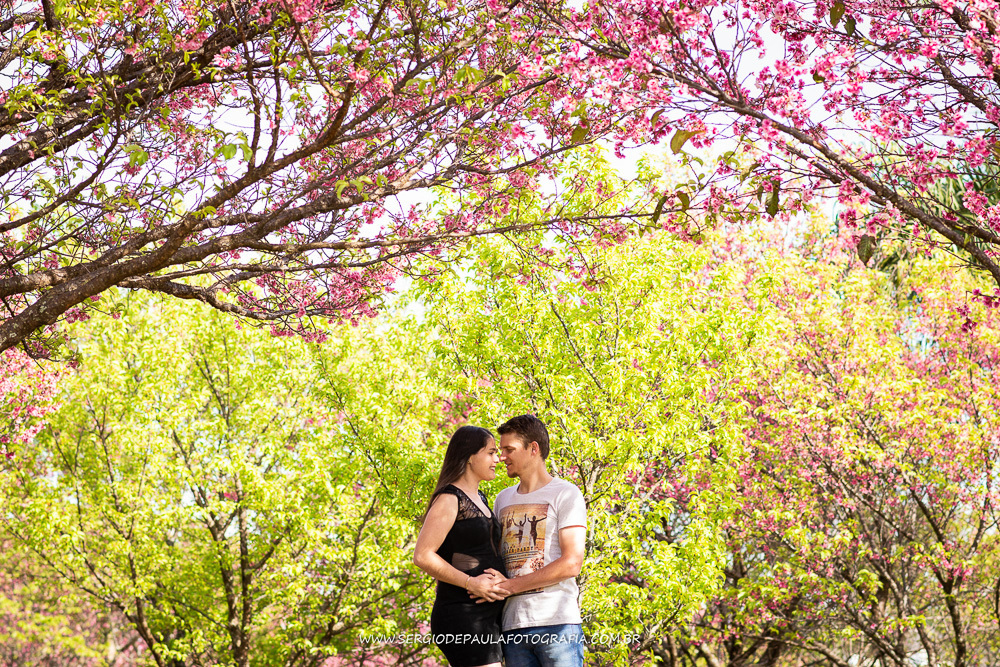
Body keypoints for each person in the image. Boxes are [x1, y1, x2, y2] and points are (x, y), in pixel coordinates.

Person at [475, 414, 587, 667]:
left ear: (533, 448)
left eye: (509, 449)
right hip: (512, 626)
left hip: (557, 625)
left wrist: (510, 587)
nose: (501, 457)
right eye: (500, 450)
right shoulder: (502, 500)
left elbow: (572, 563)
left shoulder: (566, 494)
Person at [413, 425, 508, 667]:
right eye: (491, 452)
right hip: (463, 614)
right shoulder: (450, 499)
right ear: (468, 456)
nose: (498, 459)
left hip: (489, 616)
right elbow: (423, 556)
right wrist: (472, 583)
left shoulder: (482, 498)